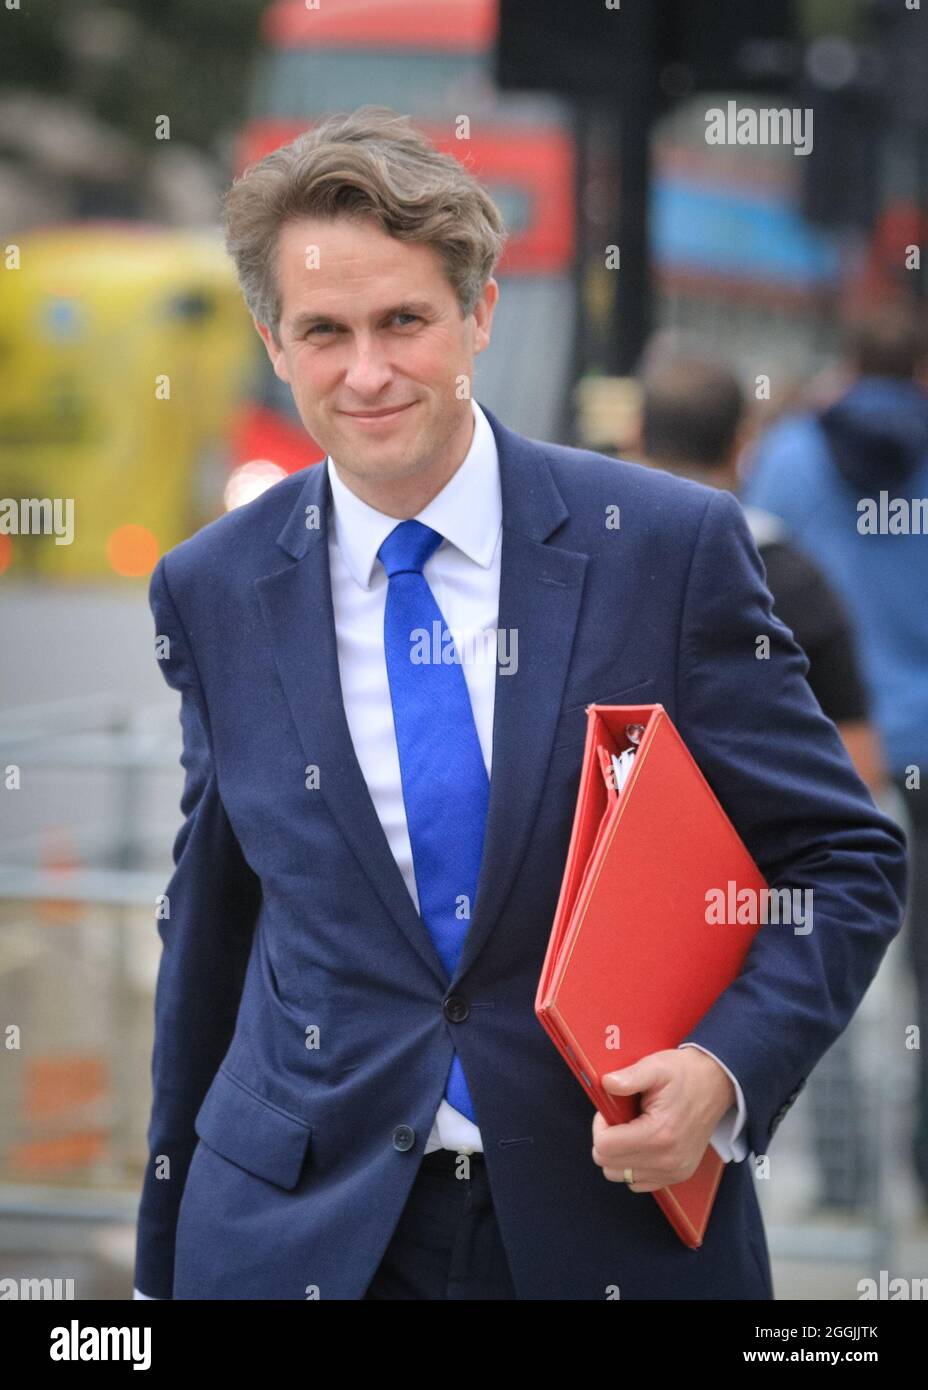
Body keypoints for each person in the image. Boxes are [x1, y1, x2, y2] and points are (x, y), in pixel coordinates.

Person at [133, 106, 906, 1301]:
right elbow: (213, 933)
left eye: (405, 321)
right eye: (324, 332)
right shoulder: (212, 588)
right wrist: (157, 1261)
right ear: (273, 344)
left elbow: (842, 854)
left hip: (605, 1227)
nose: (368, 371)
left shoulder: (665, 547)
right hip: (296, 1235)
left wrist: (721, 1068)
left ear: (479, 315)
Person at [637, 351, 887, 1211]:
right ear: (742, 443)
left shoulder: (593, 562)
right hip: (776, 891)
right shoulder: (792, 573)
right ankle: (849, 1205)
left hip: (634, 909)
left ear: (634, 435)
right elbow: (860, 762)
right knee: (821, 1040)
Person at [742, 303, 928, 1210]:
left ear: (850, 362)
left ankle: (847, 1187)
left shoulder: (788, 457)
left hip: (828, 740)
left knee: (824, 945)